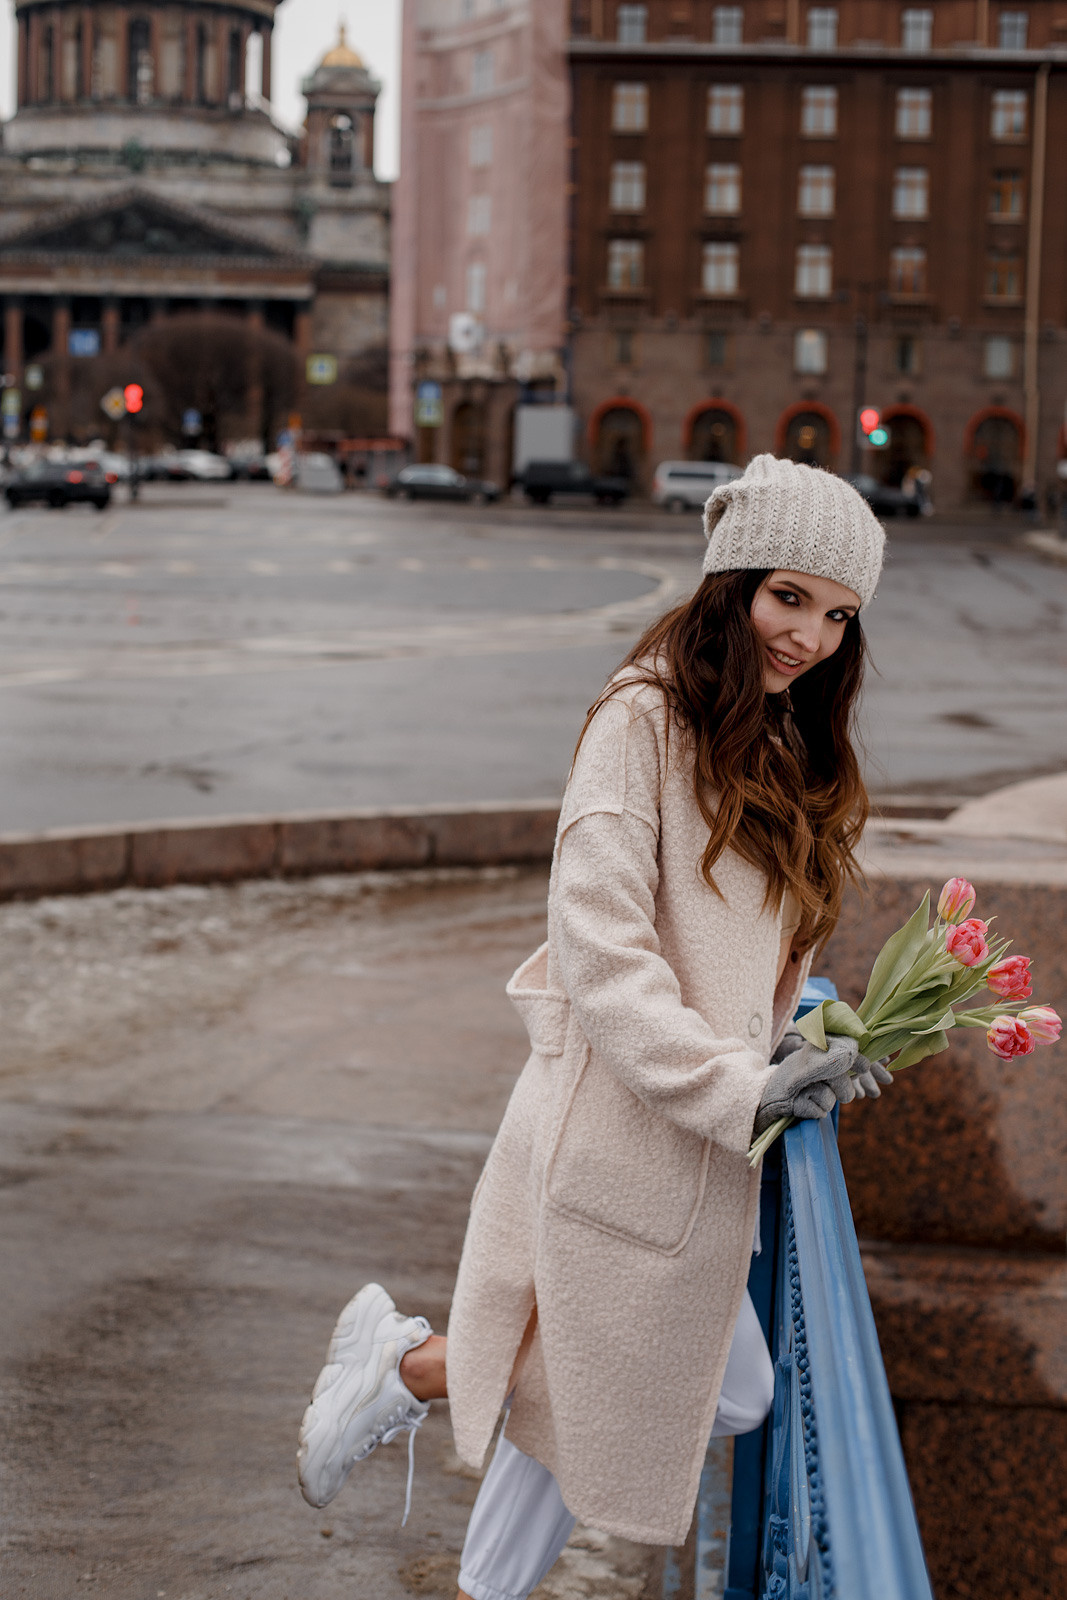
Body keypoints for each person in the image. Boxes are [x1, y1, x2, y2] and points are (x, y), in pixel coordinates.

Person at [296, 454, 892, 1599]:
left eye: (836, 615)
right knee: (673, 1388)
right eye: (788, 597)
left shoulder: (774, 739)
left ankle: (411, 1391)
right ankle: (414, 1369)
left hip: (692, 1143)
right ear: (731, 579)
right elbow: (603, 955)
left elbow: (743, 960)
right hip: (623, 1130)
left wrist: (798, 1053)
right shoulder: (641, 721)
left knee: (609, 1386)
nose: (809, 637)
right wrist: (743, 1088)